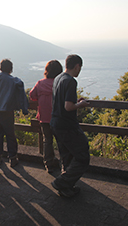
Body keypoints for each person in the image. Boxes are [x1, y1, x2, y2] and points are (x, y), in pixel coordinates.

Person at [50, 54, 90, 198]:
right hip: (67, 125)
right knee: (82, 155)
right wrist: (81, 104)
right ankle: (62, 182)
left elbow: (62, 101)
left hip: (55, 122)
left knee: (66, 155)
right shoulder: (71, 81)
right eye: (80, 68)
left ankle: (66, 188)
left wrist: (75, 102)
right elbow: (68, 106)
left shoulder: (58, 78)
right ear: (77, 66)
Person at [29, 60, 63, 173]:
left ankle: (48, 163)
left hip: (44, 118)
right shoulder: (60, 83)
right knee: (60, 141)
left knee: (47, 140)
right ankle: (63, 165)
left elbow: (32, 95)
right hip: (58, 117)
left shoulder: (40, 83)